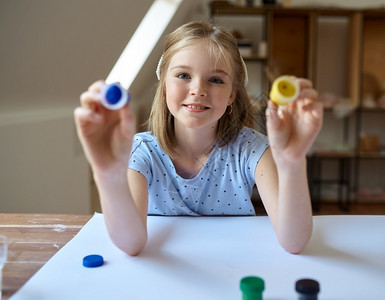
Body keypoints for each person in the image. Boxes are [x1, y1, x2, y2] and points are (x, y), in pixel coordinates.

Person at [74, 21, 323, 256]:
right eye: (183, 75)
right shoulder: (142, 151)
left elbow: (294, 242)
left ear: (231, 95)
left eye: (215, 80)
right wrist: (107, 175)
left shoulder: (252, 149)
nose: (198, 89)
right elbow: (131, 244)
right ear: (164, 87)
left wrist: (292, 162)